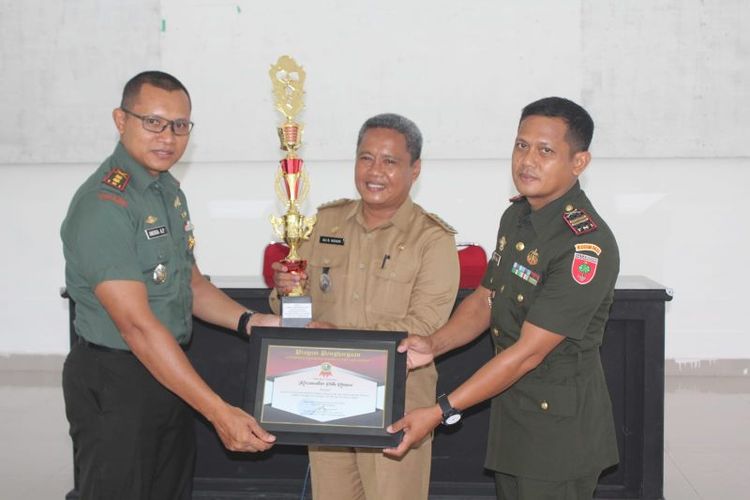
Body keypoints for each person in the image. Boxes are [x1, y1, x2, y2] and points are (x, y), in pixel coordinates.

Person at [384, 97, 620, 500]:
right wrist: (433, 345)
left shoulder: (585, 245)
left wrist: (440, 412)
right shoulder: (517, 217)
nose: (527, 160)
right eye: (521, 145)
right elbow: (486, 299)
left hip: (559, 433)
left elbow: (528, 353)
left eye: (545, 151)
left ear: (579, 162)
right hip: (513, 414)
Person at [61, 70, 279, 499]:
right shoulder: (105, 204)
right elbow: (137, 327)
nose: (168, 137)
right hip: (118, 381)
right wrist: (218, 411)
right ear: (121, 120)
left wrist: (251, 321)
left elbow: (190, 284)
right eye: (153, 122)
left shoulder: (166, 192)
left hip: (169, 372)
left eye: (180, 125)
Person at [270, 113, 460, 500]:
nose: (375, 171)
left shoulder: (432, 239)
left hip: (396, 402)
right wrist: (287, 291)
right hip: (326, 394)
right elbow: (293, 312)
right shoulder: (324, 223)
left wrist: (338, 339)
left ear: (414, 169)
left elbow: (422, 326)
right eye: (366, 158)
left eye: (390, 161)